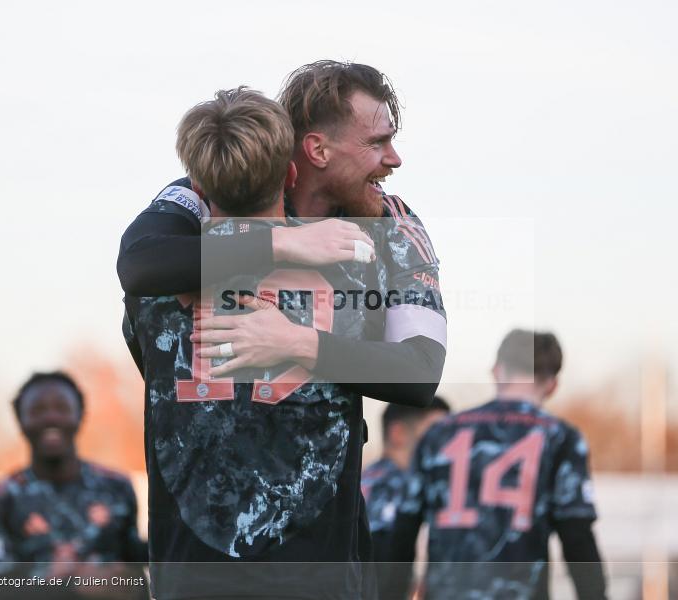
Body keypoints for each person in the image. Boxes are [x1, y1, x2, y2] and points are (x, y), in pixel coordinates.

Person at [124, 86, 428, 599]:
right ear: (291, 173)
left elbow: (140, 278)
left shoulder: (150, 286)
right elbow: (416, 372)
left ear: (197, 184)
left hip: (189, 573)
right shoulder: (353, 268)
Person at [116, 60, 446, 408]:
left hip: (318, 457)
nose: (395, 159)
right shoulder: (219, 189)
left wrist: (298, 343)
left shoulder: (392, 222)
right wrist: (282, 242)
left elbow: (420, 375)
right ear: (318, 150)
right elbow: (138, 264)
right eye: (377, 142)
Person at [388, 330, 608, 600]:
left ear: (496, 371)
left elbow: (402, 533)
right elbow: (577, 537)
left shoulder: (439, 434)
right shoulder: (560, 438)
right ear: (552, 384)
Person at [0, 372, 148, 600]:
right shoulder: (1, 498)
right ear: (20, 419)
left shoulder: (116, 486)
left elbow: (134, 570)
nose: (51, 418)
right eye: (38, 410)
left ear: (80, 415)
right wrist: (71, 584)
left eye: (62, 408)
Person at [362, 396, 450, 561]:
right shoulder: (406, 486)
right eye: (436, 432)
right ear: (398, 433)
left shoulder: (360, 478)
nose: (446, 442)